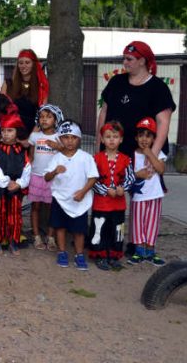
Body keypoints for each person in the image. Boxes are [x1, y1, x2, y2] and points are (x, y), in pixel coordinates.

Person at [96, 41, 176, 158]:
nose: (124, 62)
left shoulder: (158, 87)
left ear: (142, 61)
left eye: (129, 59)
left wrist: (153, 154)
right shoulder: (116, 82)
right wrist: (99, 145)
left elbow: (163, 123)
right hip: (113, 151)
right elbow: (103, 113)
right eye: (124, 59)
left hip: (142, 153)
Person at [44, 120, 99, 270]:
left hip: (79, 200)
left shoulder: (86, 157)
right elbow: (46, 177)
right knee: (60, 227)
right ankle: (62, 252)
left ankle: (79, 254)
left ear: (79, 139)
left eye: (73, 137)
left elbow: (93, 177)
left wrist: (83, 192)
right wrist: (55, 171)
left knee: (79, 230)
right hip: (60, 199)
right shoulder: (56, 158)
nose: (69, 141)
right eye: (66, 137)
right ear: (60, 139)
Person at [90, 121, 134, 270]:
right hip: (101, 204)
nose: (111, 140)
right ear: (102, 139)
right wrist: (105, 190)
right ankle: (100, 255)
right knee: (99, 230)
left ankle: (115, 255)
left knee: (118, 230)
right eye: (108, 136)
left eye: (115, 136)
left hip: (118, 205)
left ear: (121, 139)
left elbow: (130, 178)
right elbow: (92, 180)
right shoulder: (96, 159)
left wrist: (123, 188)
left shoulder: (126, 159)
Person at [0, 113, 31, 256]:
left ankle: (13, 241)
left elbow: (27, 168)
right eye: (3, 131)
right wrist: (6, 182)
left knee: (15, 215)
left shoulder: (22, 150)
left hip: (16, 189)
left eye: (10, 130)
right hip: (0, 189)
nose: (6, 134)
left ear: (17, 132)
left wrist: (19, 184)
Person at [128, 117, 167, 266]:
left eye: (148, 135)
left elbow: (161, 169)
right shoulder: (133, 155)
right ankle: (139, 251)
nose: (144, 139)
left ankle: (150, 251)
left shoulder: (158, 152)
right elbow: (128, 175)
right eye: (141, 135)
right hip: (138, 196)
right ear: (136, 137)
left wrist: (150, 153)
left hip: (155, 195)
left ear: (153, 138)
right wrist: (139, 174)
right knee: (138, 224)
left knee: (152, 224)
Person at [28, 104, 64, 251]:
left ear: (55, 120)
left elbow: (66, 151)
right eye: (42, 117)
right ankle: (36, 236)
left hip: (53, 178)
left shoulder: (59, 137)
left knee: (51, 208)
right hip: (36, 176)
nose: (44, 120)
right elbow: (30, 155)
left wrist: (57, 146)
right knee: (35, 207)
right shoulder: (35, 136)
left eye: (48, 117)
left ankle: (50, 237)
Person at [1, 49, 49, 137]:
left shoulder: (41, 86)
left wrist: (31, 138)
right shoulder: (8, 84)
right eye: (21, 63)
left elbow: (43, 115)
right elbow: (1, 111)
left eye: (27, 62)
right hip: (9, 132)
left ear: (33, 64)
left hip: (33, 132)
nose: (23, 66)